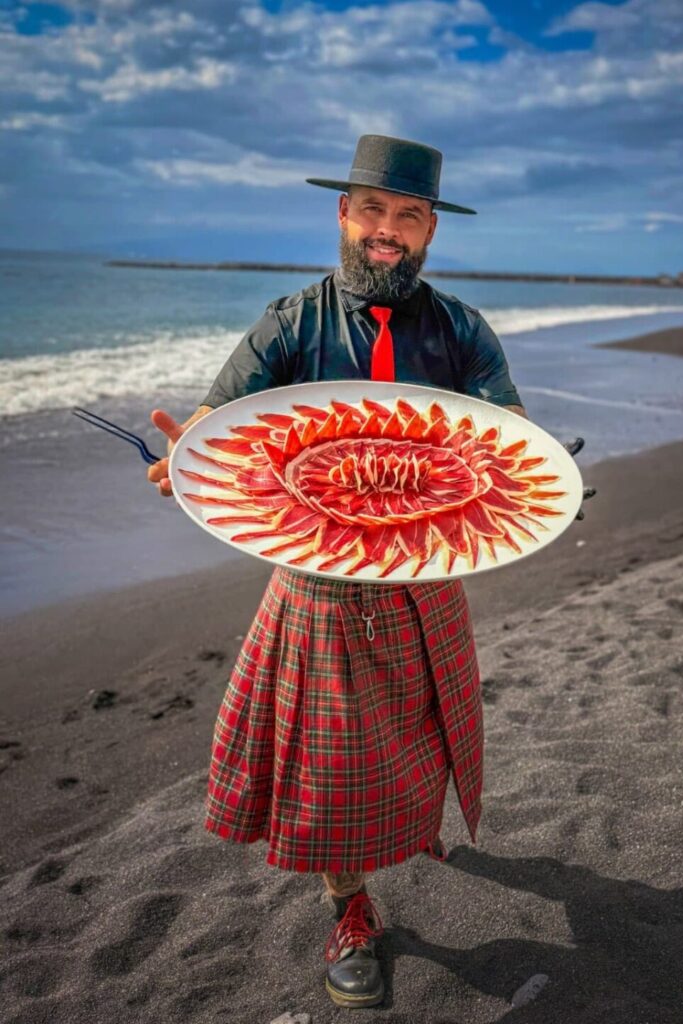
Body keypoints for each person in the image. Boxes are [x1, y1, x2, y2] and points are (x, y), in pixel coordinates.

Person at [148, 135, 528, 1009]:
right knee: (328, 768)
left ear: (431, 230)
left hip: (429, 575)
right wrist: (191, 455)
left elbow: (507, 432)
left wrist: (538, 483)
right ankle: (350, 905)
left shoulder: (462, 328)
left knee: (426, 733)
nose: (386, 231)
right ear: (343, 215)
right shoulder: (290, 323)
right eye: (372, 211)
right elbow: (221, 415)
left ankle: (414, 829)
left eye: (407, 215)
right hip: (319, 584)